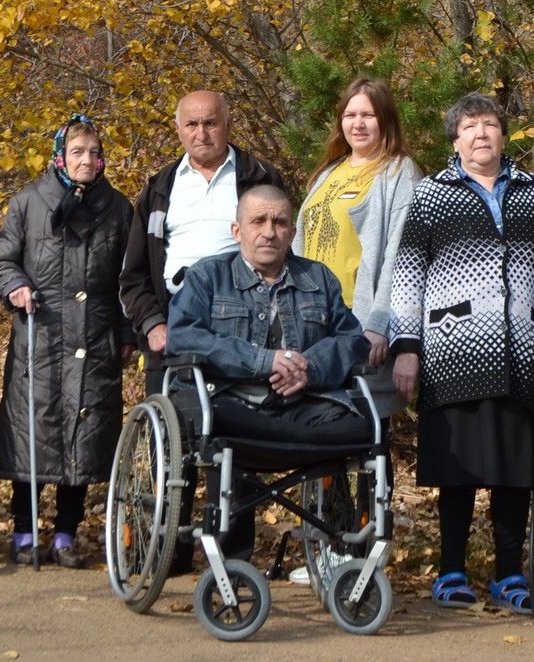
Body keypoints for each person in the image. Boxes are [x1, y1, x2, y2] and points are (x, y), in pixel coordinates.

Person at [389, 91, 534, 612]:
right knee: (456, 468)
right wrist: (406, 347)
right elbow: (408, 275)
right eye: (470, 126)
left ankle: (509, 573)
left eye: (490, 125)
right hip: (451, 350)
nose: (482, 134)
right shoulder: (432, 194)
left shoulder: (533, 190)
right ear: (455, 141)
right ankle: (451, 569)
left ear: (503, 134)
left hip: (518, 350)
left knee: (512, 468)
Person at [165, 185, 372, 559]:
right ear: (237, 230)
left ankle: (343, 551)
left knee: (359, 421)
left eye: (279, 222)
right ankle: (233, 559)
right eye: (258, 221)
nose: (269, 231)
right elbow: (183, 337)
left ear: (293, 233)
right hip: (231, 403)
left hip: (303, 405)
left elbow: (354, 340)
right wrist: (262, 360)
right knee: (222, 421)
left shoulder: (318, 278)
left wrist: (311, 366)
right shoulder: (207, 276)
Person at [0, 116, 133, 567]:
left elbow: (131, 278)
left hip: (95, 336)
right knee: (36, 428)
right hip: (42, 336)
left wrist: (127, 333)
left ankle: (67, 533)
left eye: (93, 151)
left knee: (83, 434)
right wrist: (15, 284)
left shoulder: (119, 208)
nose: (87, 160)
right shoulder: (29, 203)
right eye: (78, 152)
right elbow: (1, 258)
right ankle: (25, 530)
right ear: (60, 157)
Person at [118, 89, 287, 376]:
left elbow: (282, 254)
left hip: (245, 330)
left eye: (210, 123)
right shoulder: (159, 188)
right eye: (191, 124)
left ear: (228, 125)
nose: (201, 134)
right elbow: (134, 273)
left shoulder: (259, 177)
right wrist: (153, 325)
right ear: (178, 129)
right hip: (172, 332)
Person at [293, 77, 422, 374]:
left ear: (385, 120)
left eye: (368, 115)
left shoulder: (398, 172)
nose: (358, 124)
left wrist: (380, 321)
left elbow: (400, 256)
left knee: (359, 413)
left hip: (355, 318)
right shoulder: (328, 172)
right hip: (310, 316)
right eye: (350, 116)